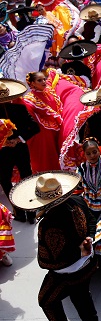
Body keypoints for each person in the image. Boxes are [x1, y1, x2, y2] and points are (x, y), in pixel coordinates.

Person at [9, 171, 101, 321]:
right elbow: (91, 220)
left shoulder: (48, 225)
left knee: (46, 300)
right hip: (89, 263)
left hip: (67, 274)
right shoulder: (78, 201)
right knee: (82, 296)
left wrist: (76, 253)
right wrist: (89, 238)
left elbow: (46, 262)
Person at [0, 80, 39, 223]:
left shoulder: (19, 109)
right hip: (4, 152)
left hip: (17, 150)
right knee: (17, 179)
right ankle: (25, 212)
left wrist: (17, 139)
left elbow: (34, 127)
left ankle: (26, 212)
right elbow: (34, 127)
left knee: (22, 178)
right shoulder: (20, 109)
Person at [22, 71, 64, 173]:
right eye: (39, 80)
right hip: (42, 134)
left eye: (44, 79)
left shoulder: (49, 91)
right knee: (46, 158)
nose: (44, 82)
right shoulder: (29, 99)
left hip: (55, 129)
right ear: (32, 83)